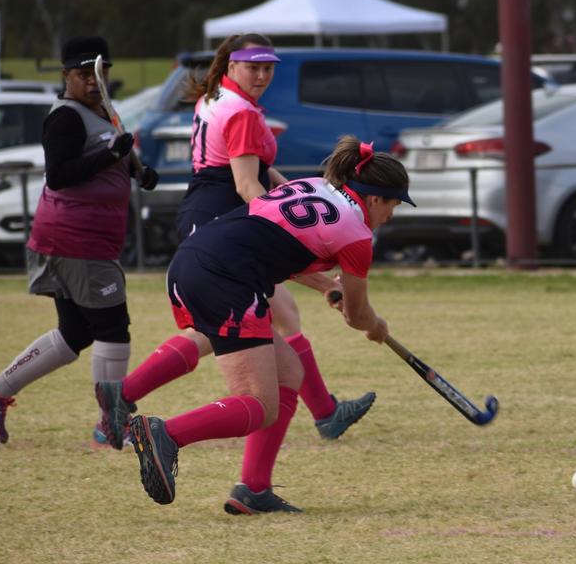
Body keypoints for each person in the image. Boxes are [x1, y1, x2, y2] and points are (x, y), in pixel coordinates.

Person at [93, 34, 374, 455]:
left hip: (211, 217)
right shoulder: (242, 113)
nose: (262, 75)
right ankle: (125, 395)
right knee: (236, 334)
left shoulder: (216, 98)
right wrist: (308, 258)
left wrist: (290, 191)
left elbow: (255, 167)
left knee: (277, 323)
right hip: (222, 224)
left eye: (268, 67)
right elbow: (246, 185)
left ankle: (322, 413)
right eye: (253, 67)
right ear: (230, 65)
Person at [122, 134, 413, 513]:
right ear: (374, 199)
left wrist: (325, 284)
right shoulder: (358, 235)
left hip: (195, 261)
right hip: (224, 277)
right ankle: (166, 434)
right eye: (393, 205)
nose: (391, 215)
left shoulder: (313, 187)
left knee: (288, 371)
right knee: (259, 403)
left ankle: (254, 490)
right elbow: (357, 315)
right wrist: (375, 325)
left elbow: (275, 243)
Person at [0, 35, 159, 446]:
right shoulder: (66, 117)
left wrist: (138, 172)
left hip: (82, 240)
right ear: (66, 76)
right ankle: (112, 421)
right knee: (112, 328)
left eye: (98, 72)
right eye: (82, 73)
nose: (92, 80)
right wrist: (110, 157)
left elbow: (111, 158)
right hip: (76, 240)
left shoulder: (102, 110)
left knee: (75, 331)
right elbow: (61, 173)